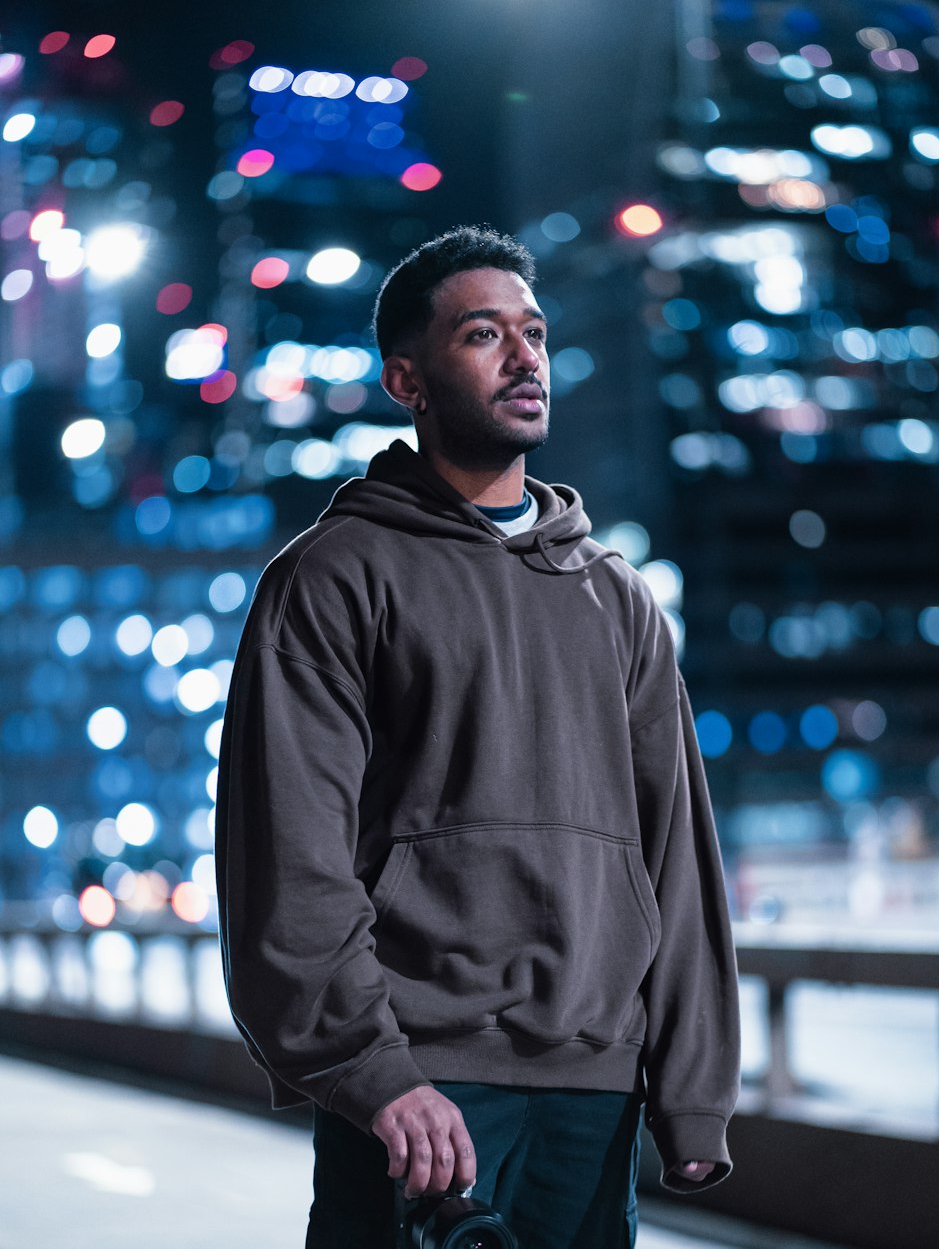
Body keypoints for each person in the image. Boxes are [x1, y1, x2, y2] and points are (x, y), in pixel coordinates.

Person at [215, 224, 741, 1248]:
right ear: (407, 378)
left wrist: (692, 1085)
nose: (524, 356)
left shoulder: (614, 594)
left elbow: (675, 853)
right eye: (483, 334)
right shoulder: (334, 576)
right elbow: (289, 855)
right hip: (423, 1089)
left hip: (595, 1086)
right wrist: (375, 1074)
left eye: (533, 333)